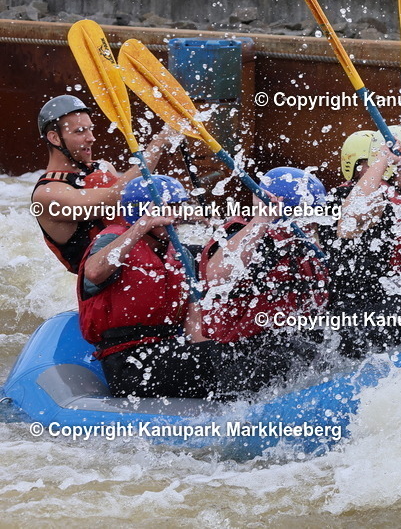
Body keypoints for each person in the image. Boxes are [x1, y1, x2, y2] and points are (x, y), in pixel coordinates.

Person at [77, 175, 224, 399]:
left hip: (167, 351)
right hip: (129, 363)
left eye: (178, 208)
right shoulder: (113, 241)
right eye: (169, 209)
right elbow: (95, 272)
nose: (176, 217)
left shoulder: (180, 255)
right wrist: (142, 225)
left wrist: (214, 350)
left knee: (230, 353)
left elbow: (194, 325)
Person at [201, 167, 329, 379]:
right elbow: (217, 276)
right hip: (245, 353)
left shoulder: (301, 243)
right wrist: (262, 219)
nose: (313, 222)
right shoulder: (244, 235)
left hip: (290, 339)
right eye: (308, 213)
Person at [32, 94, 173, 272]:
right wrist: (159, 142)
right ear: (55, 138)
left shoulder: (103, 167)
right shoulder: (47, 194)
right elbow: (114, 197)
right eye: (80, 131)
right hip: (107, 285)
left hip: (147, 262)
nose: (91, 138)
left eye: (90, 129)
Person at [334, 126, 401, 357]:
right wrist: (384, 159)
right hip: (363, 315)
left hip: (399, 305)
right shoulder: (374, 197)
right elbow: (348, 223)